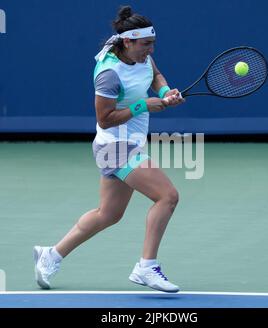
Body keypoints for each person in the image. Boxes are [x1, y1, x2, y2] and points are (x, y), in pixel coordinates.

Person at [33, 5, 184, 293]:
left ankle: (50, 255)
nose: (150, 50)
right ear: (127, 41)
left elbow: (155, 75)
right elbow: (104, 118)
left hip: (130, 142)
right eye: (145, 45)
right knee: (167, 196)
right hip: (114, 146)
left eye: (153, 44)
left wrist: (165, 93)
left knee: (108, 214)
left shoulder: (140, 57)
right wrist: (143, 105)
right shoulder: (109, 73)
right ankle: (146, 267)